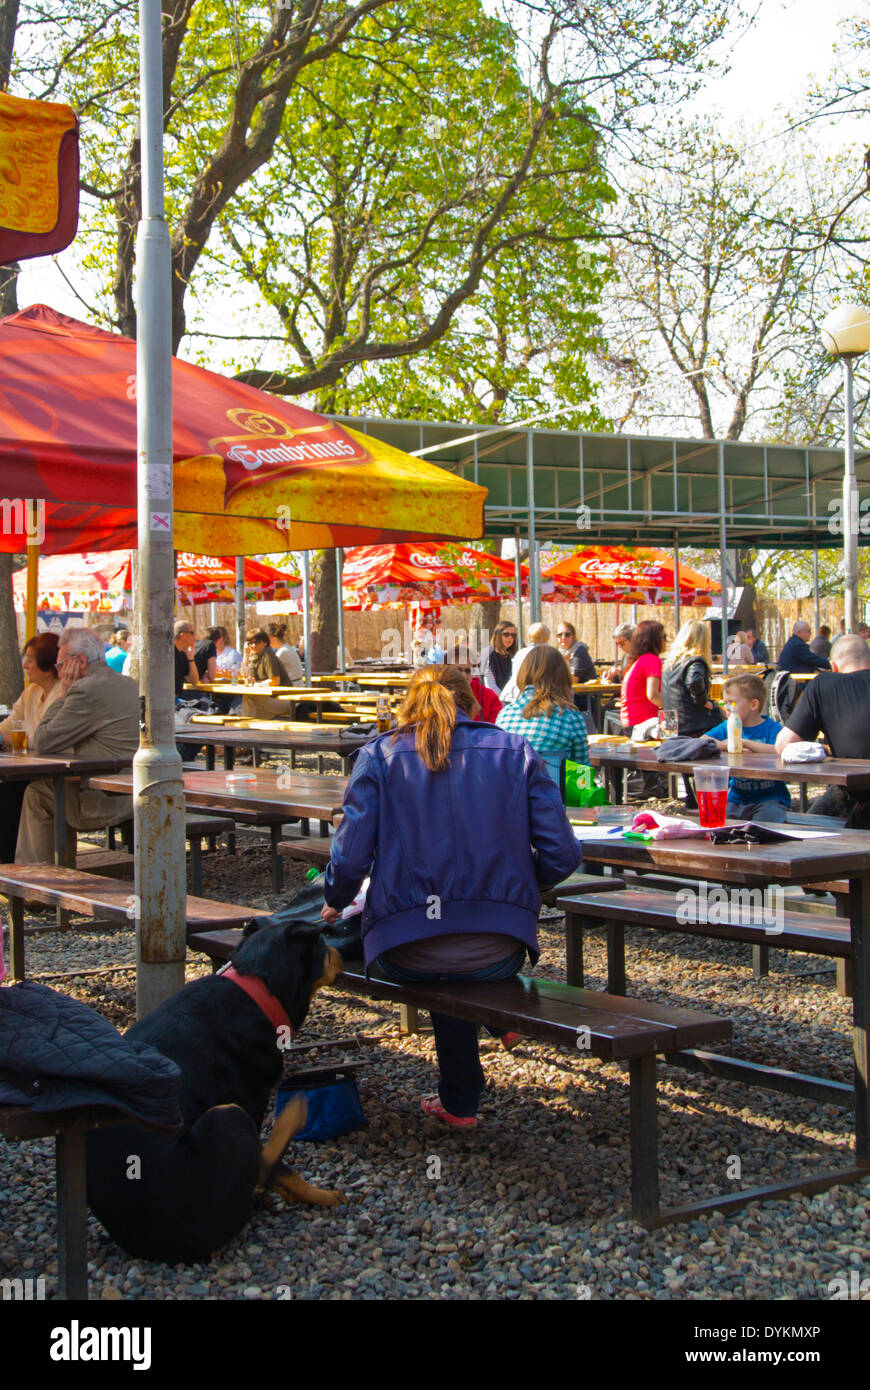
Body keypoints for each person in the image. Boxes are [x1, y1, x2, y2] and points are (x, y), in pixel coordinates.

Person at [321, 665, 581, 1126]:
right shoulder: (513, 750)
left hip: (406, 953)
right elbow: (562, 853)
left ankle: (463, 1097)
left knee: (427, 952)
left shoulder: (380, 754)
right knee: (455, 958)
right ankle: (469, 1082)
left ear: (410, 702)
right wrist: (524, 884)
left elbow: (351, 855)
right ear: (471, 702)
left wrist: (336, 898)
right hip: (499, 949)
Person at [15, 627, 139, 864]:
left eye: (61, 666)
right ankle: (58, 869)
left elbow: (43, 740)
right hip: (133, 786)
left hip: (104, 797)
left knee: (37, 793)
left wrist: (64, 692)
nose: (59, 672)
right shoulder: (128, 683)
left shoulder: (84, 690)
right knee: (54, 787)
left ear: (80, 661)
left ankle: (42, 881)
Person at [776, 634, 870, 820]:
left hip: (856, 793)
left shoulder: (823, 684)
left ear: (833, 666)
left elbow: (784, 744)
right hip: (855, 794)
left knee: (801, 828)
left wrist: (823, 751)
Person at [0, 634, 63, 860]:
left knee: (11, 792)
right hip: (27, 771)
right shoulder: (31, 692)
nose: (24, 665)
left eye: (29, 659)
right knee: (8, 788)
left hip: (53, 775)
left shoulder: (62, 694)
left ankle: (8, 867)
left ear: (47, 665)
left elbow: (44, 740)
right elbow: (7, 727)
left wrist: (8, 738)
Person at [495, 645, 589, 789]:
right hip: (552, 802)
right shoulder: (570, 716)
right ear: (563, 676)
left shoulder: (505, 714)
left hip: (511, 802)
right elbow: (583, 777)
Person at [706, 675, 791, 822]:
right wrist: (724, 745)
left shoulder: (771, 728)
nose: (726, 707)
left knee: (764, 826)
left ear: (753, 705)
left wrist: (746, 743)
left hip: (769, 798)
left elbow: (780, 748)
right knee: (719, 823)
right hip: (737, 797)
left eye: (732, 702)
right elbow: (704, 740)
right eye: (725, 702)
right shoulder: (727, 726)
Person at [662, 619, 723, 737]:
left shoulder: (670, 663)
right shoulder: (695, 661)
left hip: (671, 724)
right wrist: (706, 702)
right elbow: (694, 681)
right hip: (694, 725)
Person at [619, 620, 665, 736]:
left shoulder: (638, 660)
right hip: (643, 724)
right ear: (654, 640)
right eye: (664, 637)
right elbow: (653, 695)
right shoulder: (652, 660)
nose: (666, 641)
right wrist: (674, 706)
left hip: (630, 723)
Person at [240, 629, 290, 718]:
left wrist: (256, 684)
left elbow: (275, 682)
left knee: (248, 696)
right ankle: (246, 726)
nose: (253, 645)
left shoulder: (268, 655)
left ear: (265, 643)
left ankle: (245, 726)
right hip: (267, 699)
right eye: (250, 643)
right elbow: (244, 676)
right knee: (248, 710)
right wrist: (246, 655)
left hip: (284, 700)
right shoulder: (253, 656)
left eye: (257, 642)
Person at [501, 621, 551, 703]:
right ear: (548, 636)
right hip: (534, 697)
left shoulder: (521, 653)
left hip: (512, 694)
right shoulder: (550, 653)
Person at [477, 620, 519, 695]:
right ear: (498, 635)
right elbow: (490, 686)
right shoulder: (488, 653)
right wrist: (506, 700)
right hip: (489, 700)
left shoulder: (510, 655)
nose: (510, 638)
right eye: (506, 634)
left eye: (513, 635)